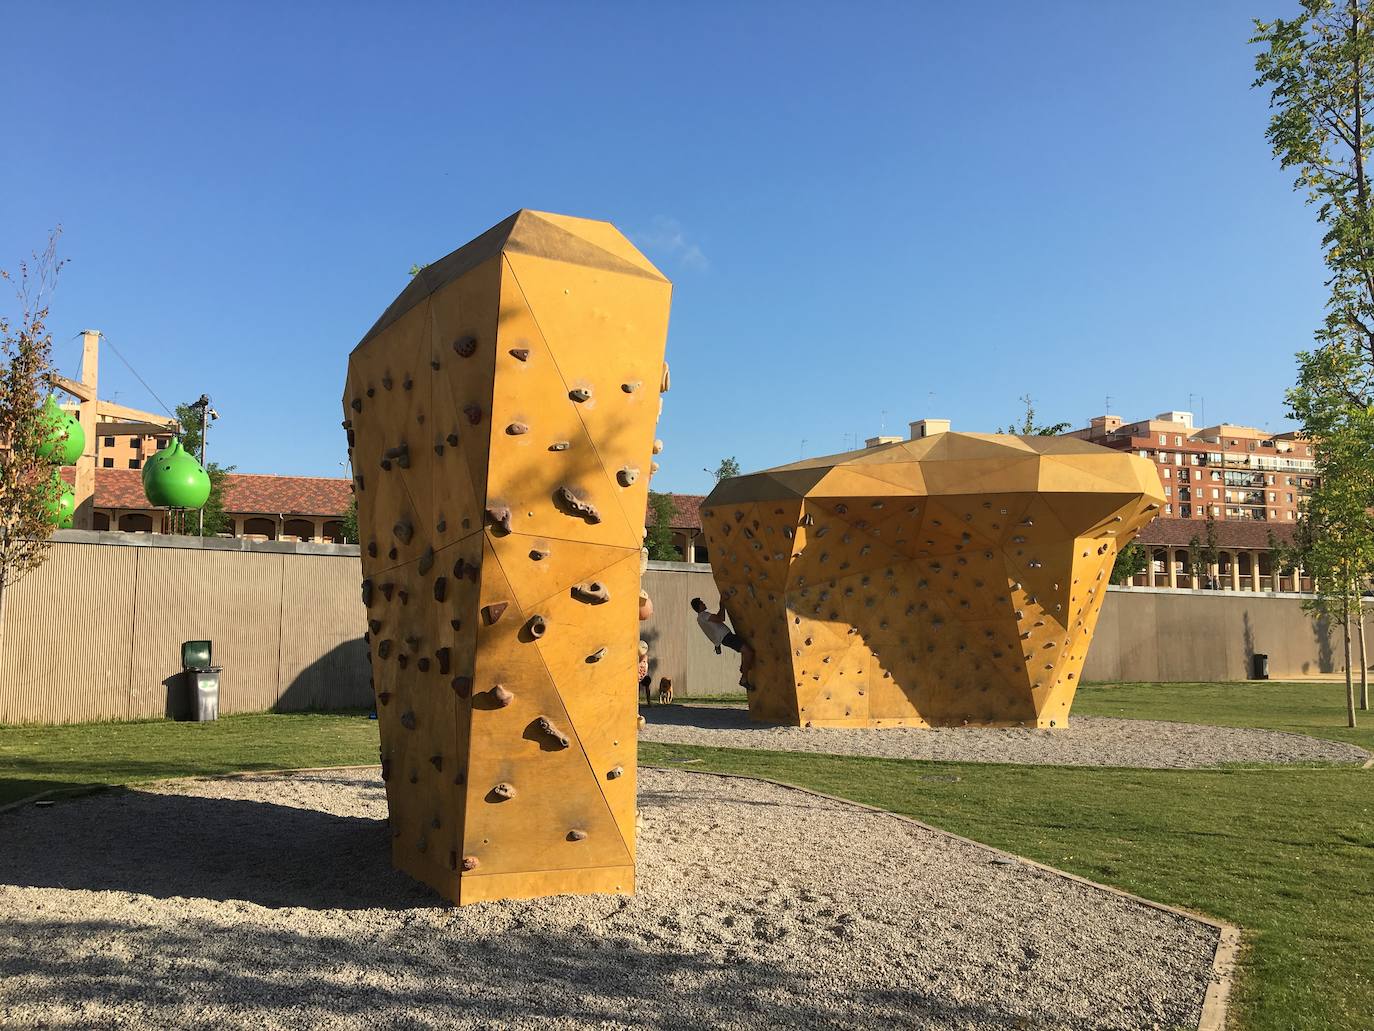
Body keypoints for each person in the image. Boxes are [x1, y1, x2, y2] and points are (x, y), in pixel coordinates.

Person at [691, 597, 755, 689]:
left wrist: (717, 644)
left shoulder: (700, 619)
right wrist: (722, 605)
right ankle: (744, 679)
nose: (704, 604)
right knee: (748, 652)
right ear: (698, 606)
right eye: (702, 603)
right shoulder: (704, 615)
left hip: (725, 638)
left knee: (744, 649)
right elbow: (721, 618)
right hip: (726, 637)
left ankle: (743, 667)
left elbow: (714, 625)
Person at [637, 640, 652, 705]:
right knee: (638, 687)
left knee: (646, 686)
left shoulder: (644, 656)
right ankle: (637, 701)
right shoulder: (638, 656)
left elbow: (645, 666)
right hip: (638, 674)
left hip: (643, 675)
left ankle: (648, 702)